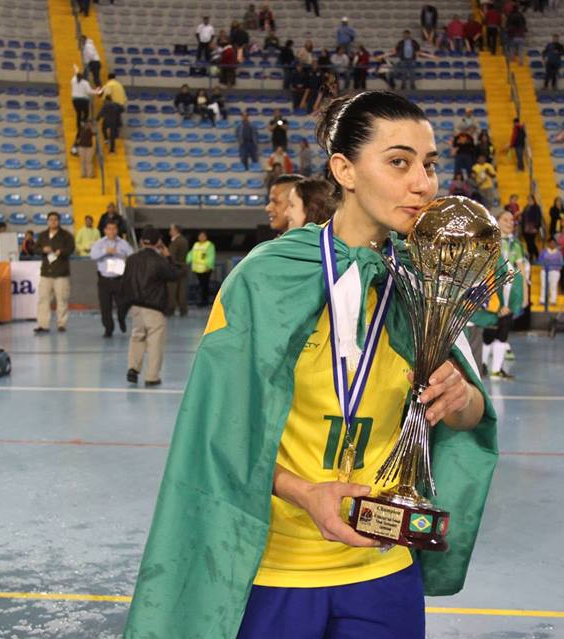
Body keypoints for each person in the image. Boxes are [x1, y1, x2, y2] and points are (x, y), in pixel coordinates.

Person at [126, 91, 497, 638]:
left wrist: (463, 398)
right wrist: (307, 494)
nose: (423, 183)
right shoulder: (265, 279)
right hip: (277, 570)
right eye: (399, 162)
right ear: (344, 170)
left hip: (385, 567)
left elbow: (469, 420)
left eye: (430, 164)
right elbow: (218, 438)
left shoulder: (424, 284)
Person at [122, 227, 182, 388]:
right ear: (158, 243)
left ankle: (133, 368)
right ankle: (152, 376)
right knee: (155, 341)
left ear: (141, 242)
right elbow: (175, 274)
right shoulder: (159, 261)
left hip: (135, 306)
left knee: (137, 336)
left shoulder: (131, 259)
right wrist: (169, 257)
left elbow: (125, 282)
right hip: (154, 307)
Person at [472, 210, 526, 380]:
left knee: (502, 329)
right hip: (490, 293)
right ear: (496, 221)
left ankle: (494, 369)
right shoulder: (489, 242)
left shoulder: (515, 245)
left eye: (512, 220)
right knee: (488, 331)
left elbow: (520, 270)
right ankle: (484, 367)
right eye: (505, 219)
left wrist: (524, 295)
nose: (510, 223)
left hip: (509, 293)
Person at [34, 211, 75, 333]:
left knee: (62, 299)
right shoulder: (43, 235)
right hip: (46, 272)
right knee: (43, 299)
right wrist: (43, 249)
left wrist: (61, 252)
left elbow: (71, 248)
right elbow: (35, 249)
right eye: (51, 219)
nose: (53, 222)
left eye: (55, 219)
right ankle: (43, 324)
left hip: (61, 272)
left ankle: (61, 323)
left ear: (59, 221)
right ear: (47, 221)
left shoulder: (66, 235)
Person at [90, 220, 133, 337]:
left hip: (119, 279)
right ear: (105, 230)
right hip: (104, 279)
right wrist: (105, 251)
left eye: (114, 228)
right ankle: (109, 328)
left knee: (122, 304)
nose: (111, 231)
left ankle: (121, 319)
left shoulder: (123, 243)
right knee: (105, 307)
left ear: (117, 230)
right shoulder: (99, 243)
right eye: (109, 228)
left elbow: (132, 256)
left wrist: (120, 254)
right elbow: (93, 256)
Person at [165, 224, 190, 317]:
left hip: (175, 269)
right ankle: (183, 309)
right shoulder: (184, 240)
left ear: (176, 230)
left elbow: (172, 257)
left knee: (172, 290)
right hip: (182, 268)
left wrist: (166, 255)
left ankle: (170, 309)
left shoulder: (176, 242)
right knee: (181, 291)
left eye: (171, 230)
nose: (169, 231)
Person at [186, 231, 216, 307]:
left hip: (205, 269)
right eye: (200, 236)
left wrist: (208, 266)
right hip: (197, 269)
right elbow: (191, 254)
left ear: (206, 237)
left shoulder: (209, 245)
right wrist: (186, 261)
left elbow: (211, 256)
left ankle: (204, 301)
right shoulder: (196, 244)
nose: (201, 237)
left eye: (203, 236)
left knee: (204, 286)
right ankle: (202, 301)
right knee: (201, 285)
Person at [538, 238, 562, 306]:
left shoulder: (558, 253)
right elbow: (539, 261)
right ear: (548, 243)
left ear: (556, 244)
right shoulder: (543, 251)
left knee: (553, 286)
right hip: (544, 271)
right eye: (550, 243)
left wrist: (555, 268)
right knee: (544, 286)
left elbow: (561, 262)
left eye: (553, 243)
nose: (552, 244)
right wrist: (544, 263)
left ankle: (553, 300)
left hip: (555, 271)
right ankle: (542, 300)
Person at [520, 194, 542, 262]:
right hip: (525, 228)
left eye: (530, 199)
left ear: (533, 199)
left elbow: (539, 218)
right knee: (528, 242)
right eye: (528, 199)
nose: (529, 200)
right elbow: (523, 217)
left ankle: (535, 255)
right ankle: (531, 256)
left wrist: (537, 227)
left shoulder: (536, 207)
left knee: (531, 242)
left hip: (533, 228)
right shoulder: (526, 207)